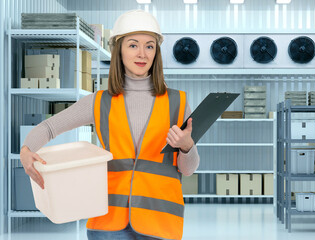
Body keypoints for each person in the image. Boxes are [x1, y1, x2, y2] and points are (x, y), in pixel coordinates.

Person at [20, 9, 200, 240]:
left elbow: (189, 169)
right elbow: (49, 127)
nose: (142, 53)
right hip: (107, 222)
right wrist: (26, 149)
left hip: (160, 221)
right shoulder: (99, 102)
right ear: (119, 50)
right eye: (133, 45)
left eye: (150, 46)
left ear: (156, 52)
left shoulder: (178, 102)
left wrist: (187, 147)